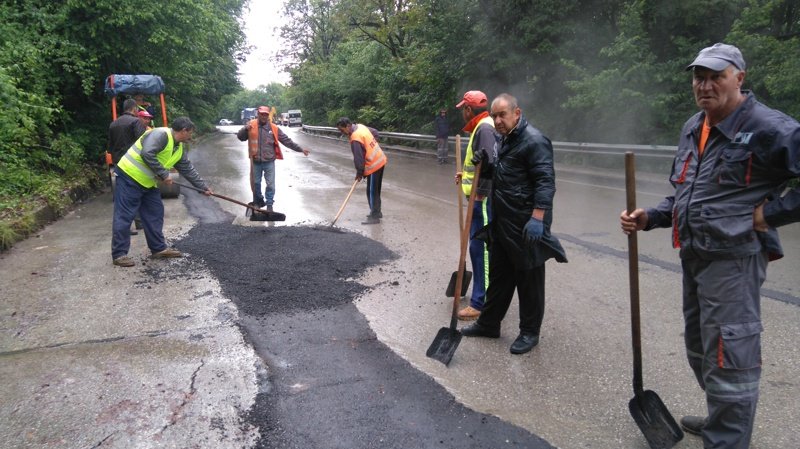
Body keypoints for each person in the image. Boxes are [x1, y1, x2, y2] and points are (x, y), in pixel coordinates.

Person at [620, 43, 800, 448]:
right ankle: (723, 417)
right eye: (699, 77)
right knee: (701, 349)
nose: (705, 85)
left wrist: (769, 215)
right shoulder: (693, 126)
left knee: (730, 357)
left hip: (734, 261)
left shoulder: (769, 126)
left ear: (739, 77)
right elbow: (687, 194)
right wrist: (650, 216)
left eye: (716, 75)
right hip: (696, 256)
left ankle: (727, 438)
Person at [461, 93, 567, 355]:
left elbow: (545, 181)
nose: (497, 120)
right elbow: (502, 173)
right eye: (494, 116)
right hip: (503, 222)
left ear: (516, 113)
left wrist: (538, 218)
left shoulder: (534, 141)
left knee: (529, 280)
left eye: (502, 115)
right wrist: (483, 167)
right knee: (499, 277)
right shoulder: (504, 139)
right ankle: (489, 324)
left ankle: (530, 332)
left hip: (525, 224)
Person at [111, 117, 213, 267]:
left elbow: (187, 169)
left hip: (147, 182)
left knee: (155, 213)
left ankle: (158, 249)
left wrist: (202, 187)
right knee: (125, 215)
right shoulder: (160, 135)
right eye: (190, 133)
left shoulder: (178, 148)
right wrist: (164, 174)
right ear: (184, 131)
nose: (191, 136)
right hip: (129, 177)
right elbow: (147, 153)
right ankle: (119, 254)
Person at [454, 90, 496, 321]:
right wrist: (465, 175)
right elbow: (478, 163)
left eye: (463, 109)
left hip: (482, 200)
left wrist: (479, 193)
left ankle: (481, 302)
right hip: (478, 198)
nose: (462, 112)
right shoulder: (483, 126)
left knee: (481, 251)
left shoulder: (485, 128)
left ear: (469, 109)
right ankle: (482, 297)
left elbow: (489, 161)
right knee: (476, 248)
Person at [236, 105, 310, 211]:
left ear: (268, 115)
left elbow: (286, 140)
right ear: (258, 114)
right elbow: (240, 137)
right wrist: (244, 129)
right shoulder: (251, 125)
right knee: (256, 183)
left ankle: (269, 205)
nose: (263, 116)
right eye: (262, 114)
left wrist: (300, 149)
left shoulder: (273, 128)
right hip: (256, 160)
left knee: (270, 184)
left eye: (266, 114)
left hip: (269, 161)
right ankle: (258, 201)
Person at [336, 117, 387, 225]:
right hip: (381, 160)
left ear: (348, 126)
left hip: (374, 165)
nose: (342, 132)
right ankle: (377, 212)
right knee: (375, 190)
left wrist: (359, 173)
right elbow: (375, 132)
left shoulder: (355, 138)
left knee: (371, 191)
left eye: (342, 129)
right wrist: (371, 146)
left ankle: (374, 217)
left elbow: (358, 159)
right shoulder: (361, 126)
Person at [107, 99, 146, 166]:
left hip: (118, 162)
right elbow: (142, 142)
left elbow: (110, 148)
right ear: (134, 108)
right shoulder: (136, 121)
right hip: (132, 161)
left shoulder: (113, 124)